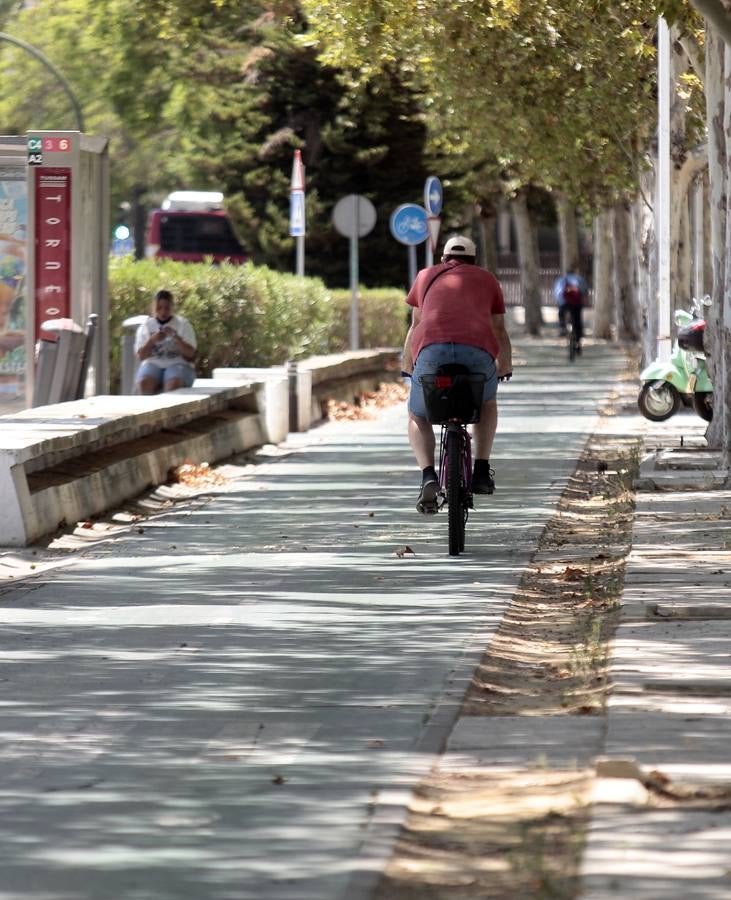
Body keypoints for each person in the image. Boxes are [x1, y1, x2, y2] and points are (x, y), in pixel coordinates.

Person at [402, 235, 512, 514]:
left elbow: (416, 325)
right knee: (486, 402)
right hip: (477, 350)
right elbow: (498, 329)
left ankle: (428, 475)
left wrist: (407, 367)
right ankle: (481, 470)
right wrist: (505, 366)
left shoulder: (426, 275)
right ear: (474, 260)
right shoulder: (488, 280)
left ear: (443, 258)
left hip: (431, 350)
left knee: (417, 414)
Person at [134, 289, 197, 394]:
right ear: (154, 308)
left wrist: (175, 337)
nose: (163, 312)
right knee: (144, 383)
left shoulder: (183, 325)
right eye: (159, 308)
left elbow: (191, 354)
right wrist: (152, 340)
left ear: (172, 307)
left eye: (167, 308)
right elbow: (140, 356)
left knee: (173, 385)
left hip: (178, 363)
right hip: (153, 364)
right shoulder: (146, 326)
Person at [554, 266, 589, 350]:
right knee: (577, 320)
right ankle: (578, 338)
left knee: (561, 314)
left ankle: (562, 327)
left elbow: (557, 293)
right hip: (576, 303)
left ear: (566, 273)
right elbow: (585, 291)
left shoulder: (561, 280)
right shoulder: (579, 279)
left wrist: (559, 302)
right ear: (575, 272)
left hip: (564, 303)